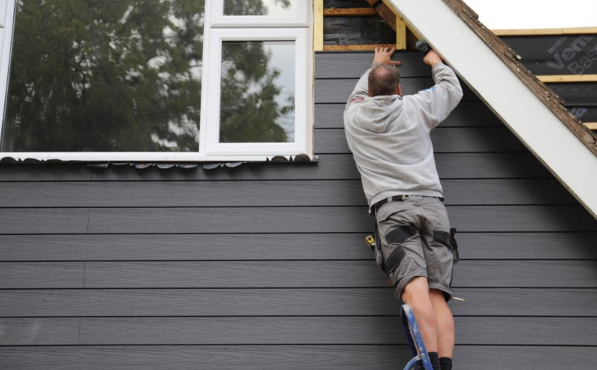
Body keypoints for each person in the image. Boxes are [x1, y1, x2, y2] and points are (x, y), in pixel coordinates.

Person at [343, 46, 463, 370]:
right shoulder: (416, 106)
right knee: (437, 295)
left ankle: (430, 366)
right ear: (399, 89)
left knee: (416, 288)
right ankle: (445, 366)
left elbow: (357, 95)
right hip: (432, 208)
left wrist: (376, 63)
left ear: (368, 91)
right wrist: (436, 62)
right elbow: (451, 90)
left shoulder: (354, 117)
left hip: (393, 210)